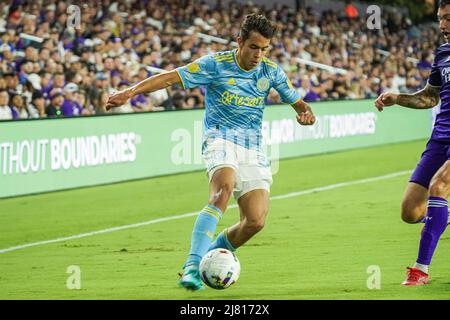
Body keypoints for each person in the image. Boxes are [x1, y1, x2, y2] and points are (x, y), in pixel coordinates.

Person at [106, 14, 316, 291]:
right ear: (239, 42)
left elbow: (297, 103)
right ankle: (193, 267)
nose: (259, 55)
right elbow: (172, 77)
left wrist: (305, 113)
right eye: (254, 47)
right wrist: (130, 92)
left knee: (254, 222)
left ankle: (210, 256)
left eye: (265, 49)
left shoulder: (271, 71)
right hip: (219, 139)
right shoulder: (215, 65)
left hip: (252, 146)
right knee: (223, 190)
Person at [374, 0, 450, 286]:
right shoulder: (443, 53)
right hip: (440, 137)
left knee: (439, 187)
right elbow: (430, 97)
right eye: (441, 19)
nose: (443, 25)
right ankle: (441, 217)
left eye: (449, 19)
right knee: (410, 212)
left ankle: (420, 270)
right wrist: (398, 98)